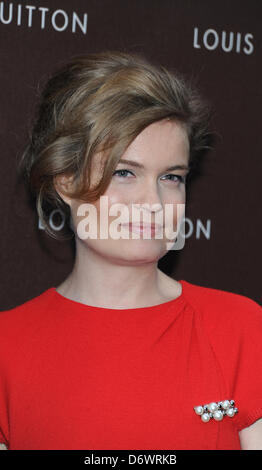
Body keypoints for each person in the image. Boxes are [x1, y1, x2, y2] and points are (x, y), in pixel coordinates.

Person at [0, 50, 261, 451]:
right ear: (65, 182)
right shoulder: (8, 348)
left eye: (171, 177)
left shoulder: (242, 329)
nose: (153, 202)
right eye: (125, 172)